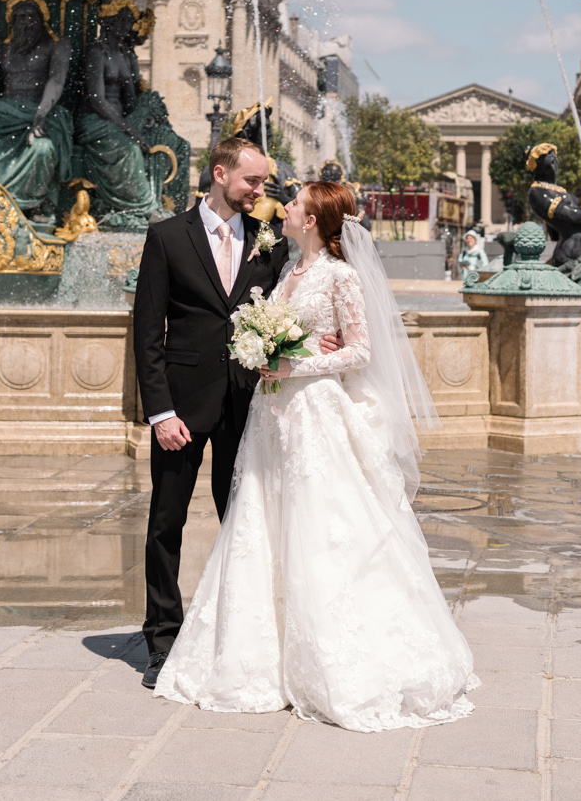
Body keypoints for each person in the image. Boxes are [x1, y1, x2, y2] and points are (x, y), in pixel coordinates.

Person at [153, 180, 478, 731]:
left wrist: (292, 365)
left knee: (319, 525)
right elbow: (280, 330)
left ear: (314, 219)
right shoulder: (287, 269)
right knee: (263, 522)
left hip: (313, 416)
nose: (285, 206)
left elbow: (361, 349)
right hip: (272, 416)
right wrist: (260, 352)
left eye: (296, 203)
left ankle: (330, 657)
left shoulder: (341, 275)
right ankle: (263, 655)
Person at [131, 137, 292, 692]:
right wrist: (160, 412)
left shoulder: (269, 246)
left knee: (241, 523)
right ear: (220, 173)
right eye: (252, 181)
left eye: (264, 183)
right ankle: (162, 640)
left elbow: (274, 323)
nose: (259, 190)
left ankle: (237, 635)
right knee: (166, 524)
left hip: (246, 408)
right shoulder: (167, 237)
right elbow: (148, 334)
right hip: (181, 408)